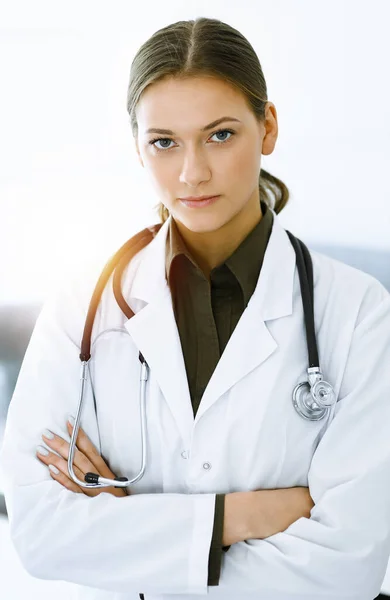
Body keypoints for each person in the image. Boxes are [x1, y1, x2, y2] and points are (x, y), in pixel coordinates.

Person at [1, 16, 390, 600]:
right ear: (137, 146)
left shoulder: (358, 312)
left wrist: (135, 531)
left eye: (221, 134)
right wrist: (239, 517)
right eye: (164, 142)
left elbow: (347, 563)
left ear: (269, 127)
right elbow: (41, 533)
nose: (192, 173)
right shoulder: (82, 307)